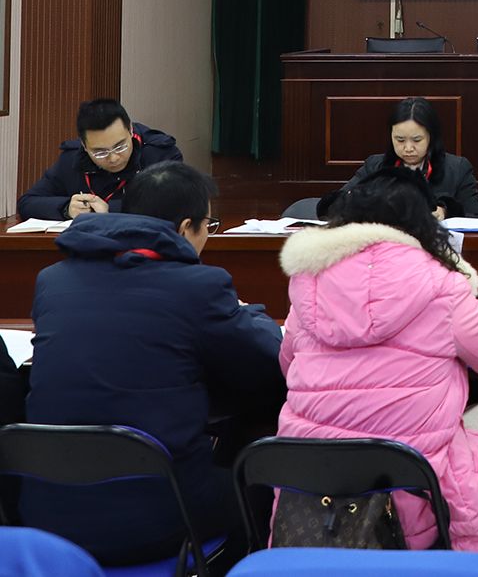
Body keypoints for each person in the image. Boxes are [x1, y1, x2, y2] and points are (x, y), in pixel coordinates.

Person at [24, 162, 283, 565]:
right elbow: (268, 357)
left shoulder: (52, 279)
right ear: (185, 228)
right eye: (208, 226)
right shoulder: (199, 286)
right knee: (264, 476)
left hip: (45, 514)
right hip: (159, 519)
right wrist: (246, 314)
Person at [279, 167, 478, 562]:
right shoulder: (444, 282)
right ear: (422, 221)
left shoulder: (308, 283)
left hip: (314, 498)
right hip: (414, 501)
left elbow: (287, 365)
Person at [319, 96, 478, 219]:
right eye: (400, 140)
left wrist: (446, 211)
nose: (408, 148)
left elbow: (477, 218)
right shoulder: (375, 166)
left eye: (417, 140)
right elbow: (333, 205)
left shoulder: (457, 169)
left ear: (432, 137)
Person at [17, 98, 182, 220]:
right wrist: (67, 208)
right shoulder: (72, 158)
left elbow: (173, 202)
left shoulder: (159, 153)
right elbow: (27, 203)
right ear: (84, 145)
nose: (113, 158)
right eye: (100, 152)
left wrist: (110, 209)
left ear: (130, 130)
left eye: (120, 146)